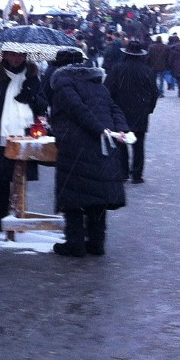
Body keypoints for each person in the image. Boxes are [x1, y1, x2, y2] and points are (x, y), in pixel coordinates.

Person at [48, 50, 129, 257]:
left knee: (73, 197)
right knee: (96, 197)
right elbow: (116, 108)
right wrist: (118, 130)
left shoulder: (63, 82)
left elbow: (78, 110)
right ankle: (96, 242)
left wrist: (99, 129)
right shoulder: (96, 83)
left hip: (77, 146)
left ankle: (74, 243)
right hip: (103, 146)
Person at [0, 50, 47, 233]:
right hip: (1, 136)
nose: (16, 59)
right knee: (2, 179)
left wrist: (32, 95)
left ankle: (19, 215)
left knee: (21, 177)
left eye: (20, 56)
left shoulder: (33, 78)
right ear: (5, 56)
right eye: (12, 55)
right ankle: (1, 215)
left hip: (26, 135)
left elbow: (42, 104)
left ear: (26, 56)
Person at [106, 40, 158, 184]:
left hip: (120, 111)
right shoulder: (147, 70)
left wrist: (110, 108)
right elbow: (154, 92)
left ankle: (123, 172)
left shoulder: (117, 69)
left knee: (121, 142)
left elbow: (107, 89)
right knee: (139, 144)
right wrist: (149, 109)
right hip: (140, 112)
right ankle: (137, 174)